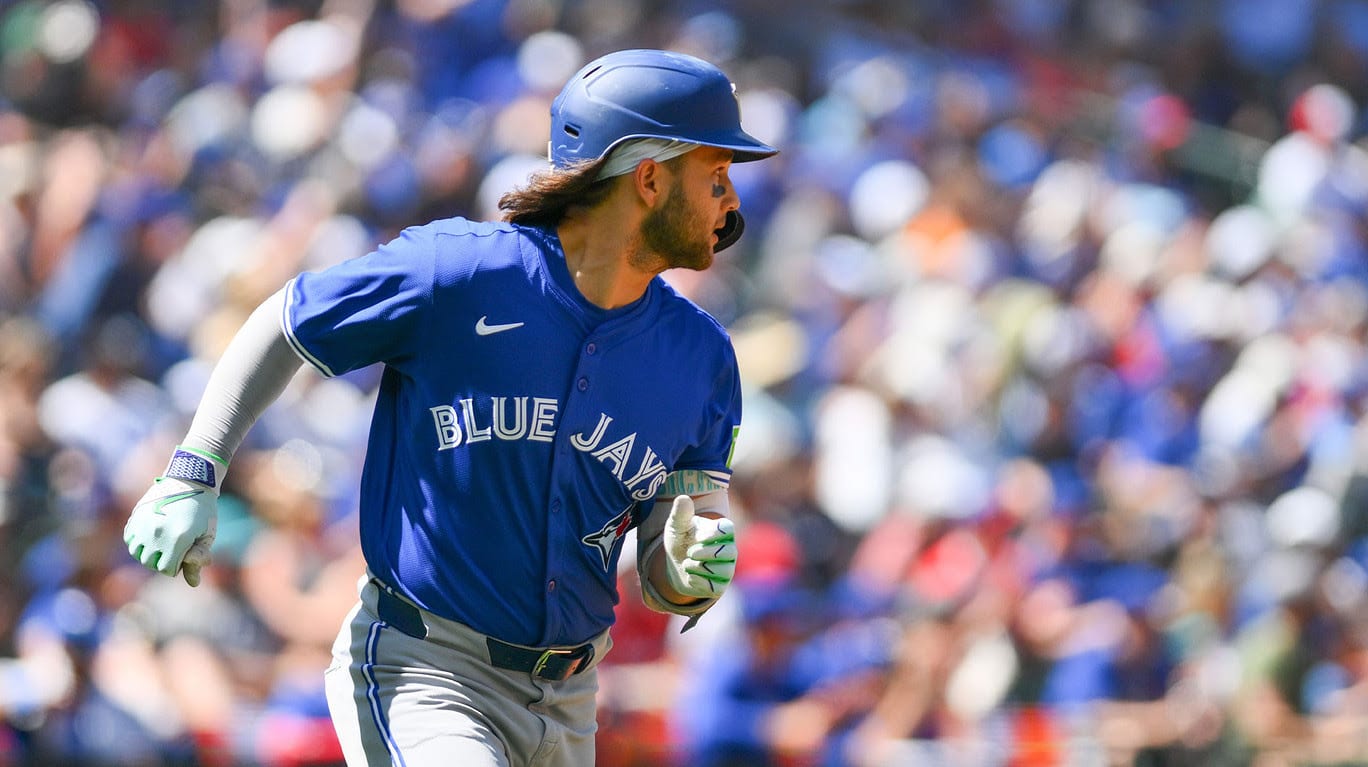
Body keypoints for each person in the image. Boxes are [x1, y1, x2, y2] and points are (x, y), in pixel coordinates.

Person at [121, 48, 777, 766]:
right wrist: (194, 468)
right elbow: (285, 323)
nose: (733, 201)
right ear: (649, 177)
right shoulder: (459, 272)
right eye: (716, 175)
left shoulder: (704, 358)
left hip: (571, 701)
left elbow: (674, 550)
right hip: (426, 671)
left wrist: (686, 572)